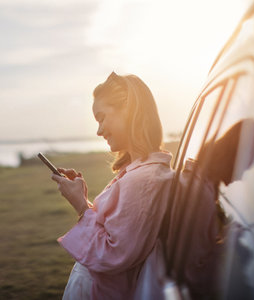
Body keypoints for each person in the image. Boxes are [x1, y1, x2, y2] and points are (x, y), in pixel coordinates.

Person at [51, 71, 174, 299]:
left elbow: (113, 254)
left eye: (102, 118)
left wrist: (80, 205)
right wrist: (85, 200)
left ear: (129, 111)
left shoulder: (143, 180)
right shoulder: (139, 171)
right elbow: (120, 231)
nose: (99, 131)